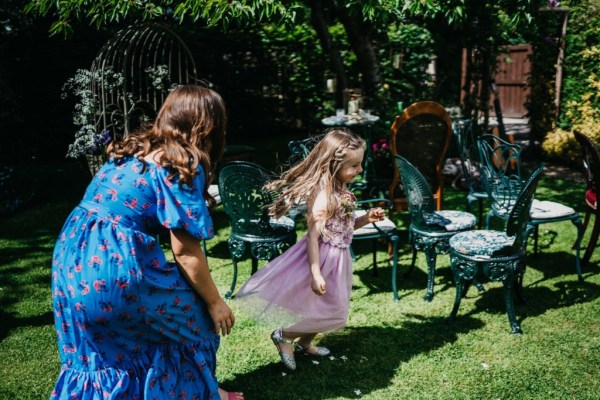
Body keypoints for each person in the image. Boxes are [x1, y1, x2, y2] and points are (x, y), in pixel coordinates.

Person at [50, 84, 243, 400]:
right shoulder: (182, 163)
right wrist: (215, 303)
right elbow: (185, 250)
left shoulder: (131, 149)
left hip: (71, 258)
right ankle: (206, 393)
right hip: (112, 266)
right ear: (211, 127)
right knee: (194, 314)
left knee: (105, 350)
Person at [235, 129, 384, 371]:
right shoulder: (325, 197)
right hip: (323, 258)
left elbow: (344, 228)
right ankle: (284, 335)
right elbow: (313, 237)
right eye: (354, 165)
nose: (359, 170)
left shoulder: (341, 188)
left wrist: (366, 218)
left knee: (326, 307)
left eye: (360, 164)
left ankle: (305, 342)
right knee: (336, 314)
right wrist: (316, 273)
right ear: (334, 165)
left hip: (339, 257)